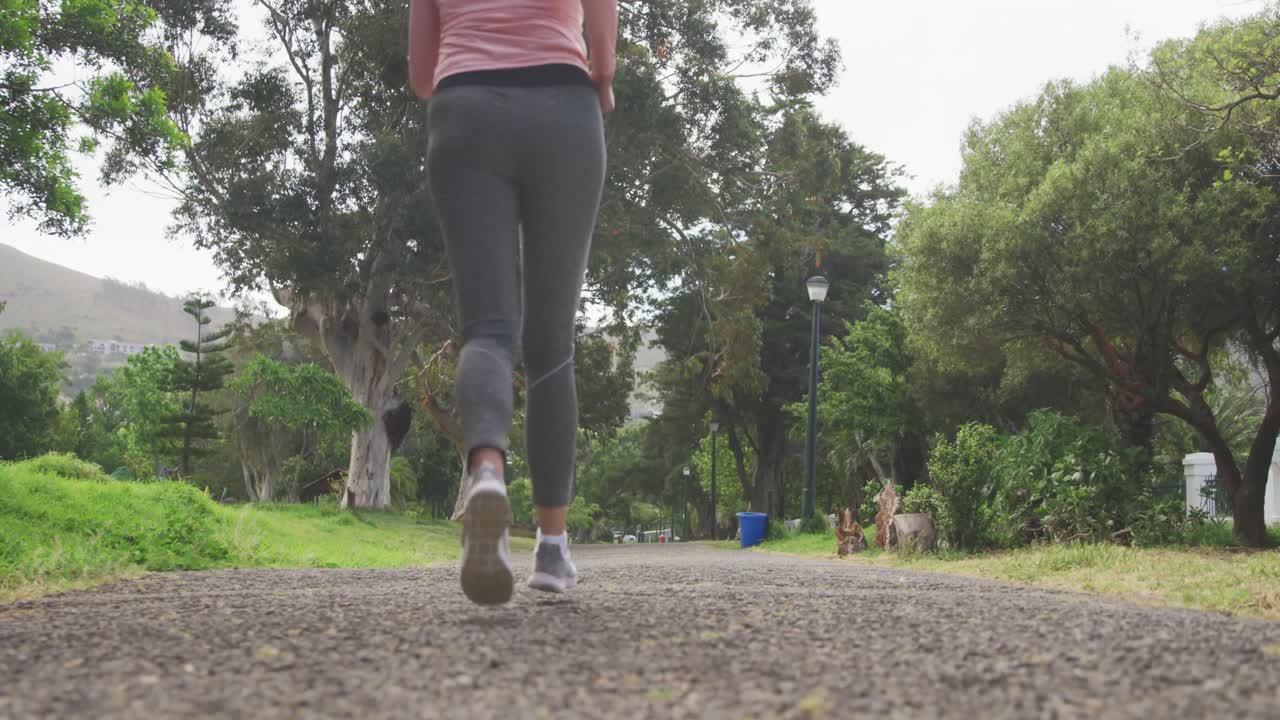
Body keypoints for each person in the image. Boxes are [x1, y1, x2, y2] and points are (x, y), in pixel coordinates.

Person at [408, 0, 618, 605]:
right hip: (563, 110)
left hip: (465, 110)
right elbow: (601, 40)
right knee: (552, 344)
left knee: (488, 330)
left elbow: (423, 73)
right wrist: (600, 80)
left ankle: (488, 475)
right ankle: (551, 549)